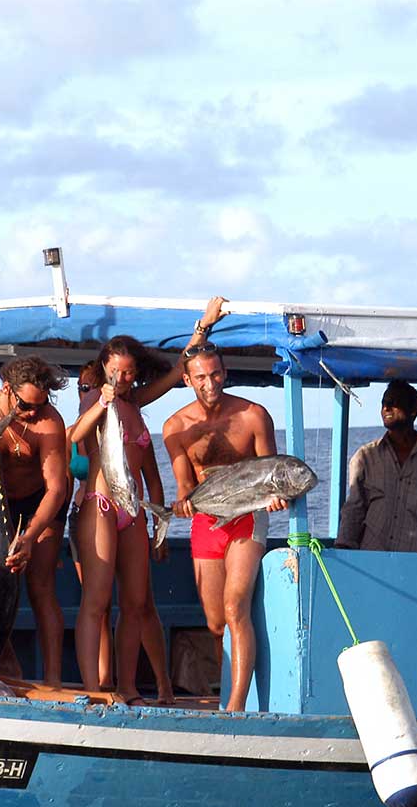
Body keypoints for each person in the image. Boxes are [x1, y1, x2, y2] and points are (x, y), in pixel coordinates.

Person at [65, 300, 224, 703]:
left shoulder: (135, 403)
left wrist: (203, 327)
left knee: (136, 603)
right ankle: (92, 691)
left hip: (132, 509)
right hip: (101, 504)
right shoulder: (95, 399)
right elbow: (74, 436)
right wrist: (101, 402)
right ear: (103, 369)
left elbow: (177, 370)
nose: (121, 378)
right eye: (115, 371)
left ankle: (128, 687)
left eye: (128, 372)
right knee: (97, 602)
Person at [162, 341, 287, 712]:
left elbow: (270, 472)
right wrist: (182, 502)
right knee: (217, 623)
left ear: (225, 372)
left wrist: (275, 497)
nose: (210, 383)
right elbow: (185, 485)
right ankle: (226, 698)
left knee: (235, 608)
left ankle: (235, 707)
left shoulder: (253, 415)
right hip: (207, 520)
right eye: (201, 377)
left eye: (215, 374)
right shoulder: (175, 427)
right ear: (187, 380)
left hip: (247, 517)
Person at [0, 356, 71, 687]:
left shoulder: (49, 423)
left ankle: (53, 681)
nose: (33, 413)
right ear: (7, 389)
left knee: (41, 587)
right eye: (25, 405)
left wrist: (30, 537)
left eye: (41, 404)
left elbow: (56, 489)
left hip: (40, 503)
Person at [334, 379, 417, 553]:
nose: (386, 408)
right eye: (384, 403)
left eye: (394, 403)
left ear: (414, 410)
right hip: (372, 559)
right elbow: (353, 511)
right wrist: (341, 550)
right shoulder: (365, 457)